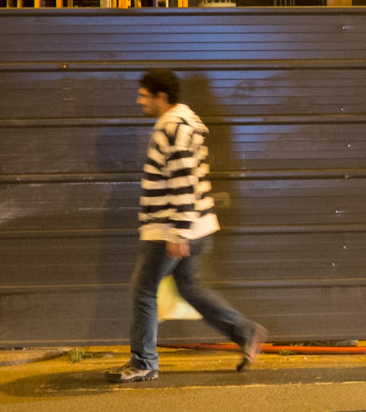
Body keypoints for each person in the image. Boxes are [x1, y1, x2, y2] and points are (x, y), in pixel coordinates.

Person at [107, 69, 268, 384]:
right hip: (196, 225)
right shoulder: (186, 125)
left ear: (161, 97)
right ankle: (245, 331)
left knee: (143, 290)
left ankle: (143, 362)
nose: (139, 101)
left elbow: (183, 183)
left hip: (172, 228)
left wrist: (178, 232)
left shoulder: (173, 129)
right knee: (190, 287)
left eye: (144, 95)